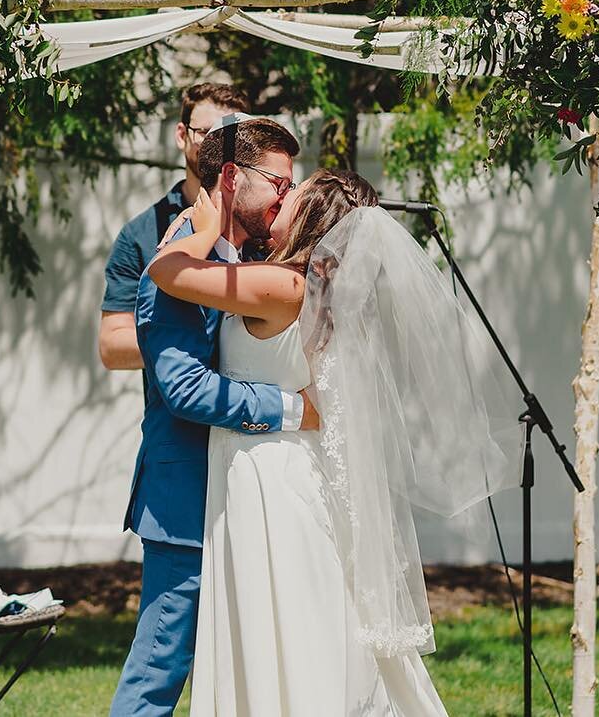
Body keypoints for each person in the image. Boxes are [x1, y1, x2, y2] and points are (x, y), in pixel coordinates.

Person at [147, 165, 523, 715]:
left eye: (293, 194)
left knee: (291, 631)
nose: (282, 199)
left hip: (269, 477)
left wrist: (200, 228)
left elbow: (169, 272)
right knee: (298, 622)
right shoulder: (310, 286)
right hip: (271, 462)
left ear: (314, 216)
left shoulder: (284, 285)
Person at [108, 115, 320, 717]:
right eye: (277, 181)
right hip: (185, 501)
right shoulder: (173, 265)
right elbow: (184, 389)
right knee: (159, 672)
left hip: (251, 500)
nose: (286, 194)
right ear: (231, 178)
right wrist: (290, 410)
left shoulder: (251, 259)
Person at [98, 82, 251, 373]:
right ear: (182, 135)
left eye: (231, 136)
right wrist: (194, 336)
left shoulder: (264, 223)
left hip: (251, 413)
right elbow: (112, 346)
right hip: (176, 415)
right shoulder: (142, 233)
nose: (219, 146)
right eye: (207, 133)